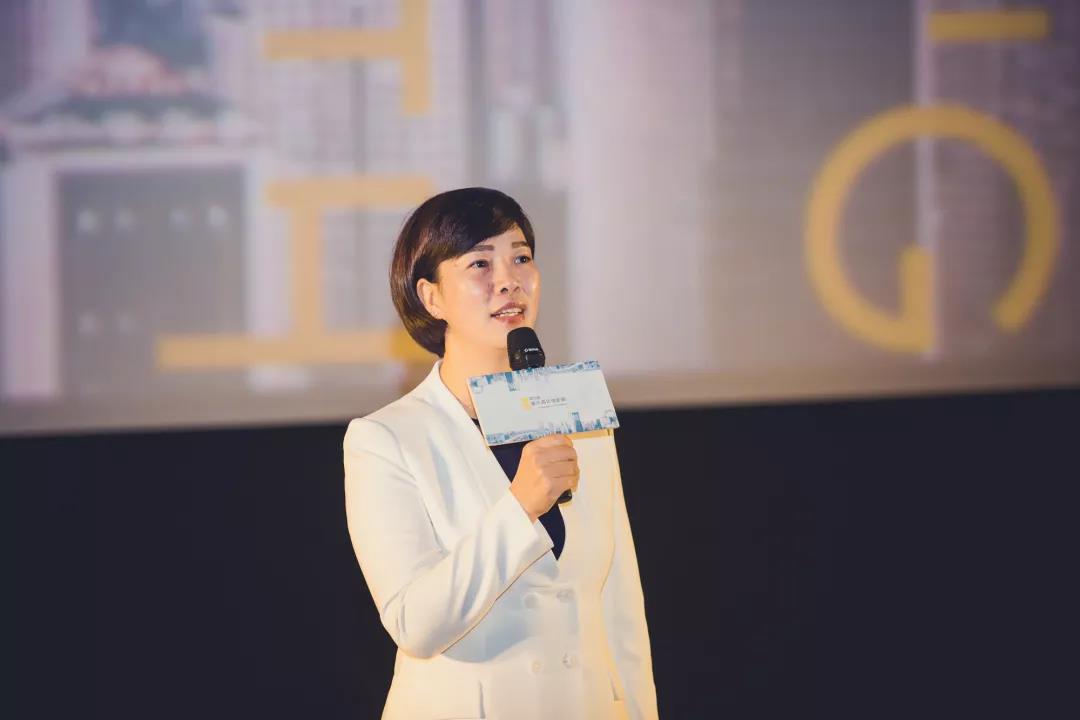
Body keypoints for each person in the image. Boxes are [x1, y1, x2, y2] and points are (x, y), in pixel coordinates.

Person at [343, 188, 658, 719]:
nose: (509, 280)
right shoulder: (386, 439)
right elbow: (415, 624)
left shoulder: (576, 412)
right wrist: (520, 507)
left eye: (521, 257)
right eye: (480, 263)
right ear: (431, 297)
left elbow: (620, 603)